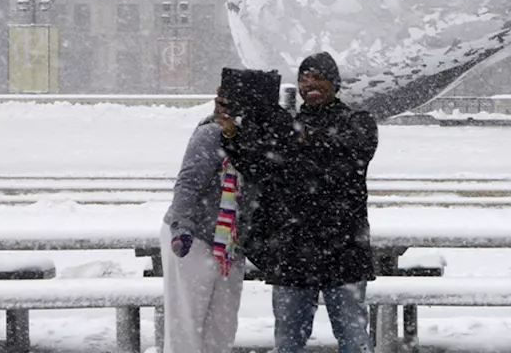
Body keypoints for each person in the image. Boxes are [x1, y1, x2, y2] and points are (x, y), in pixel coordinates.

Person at [216, 52, 379, 353]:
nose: (310, 84)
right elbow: (256, 166)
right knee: (288, 342)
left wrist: (292, 131)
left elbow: (349, 152)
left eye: (318, 77)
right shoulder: (287, 127)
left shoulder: (358, 121)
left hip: (343, 250)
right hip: (293, 251)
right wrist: (231, 133)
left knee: (354, 341)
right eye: (304, 78)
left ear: (335, 83)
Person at [161, 94, 249, 353]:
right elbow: (188, 183)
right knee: (186, 330)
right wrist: (182, 227)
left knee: (221, 331)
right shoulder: (211, 134)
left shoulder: (259, 138)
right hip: (193, 238)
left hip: (230, 246)